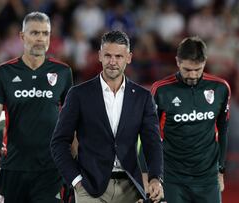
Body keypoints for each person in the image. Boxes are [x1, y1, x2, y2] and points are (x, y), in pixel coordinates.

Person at [50, 30, 164, 203]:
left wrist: (156, 177)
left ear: (129, 57)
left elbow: (153, 142)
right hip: (89, 187)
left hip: (131, 187)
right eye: (108, 55)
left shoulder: (142, 97)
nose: (112, 62)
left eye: (118, 56)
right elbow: (59, 142)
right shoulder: (79, 94)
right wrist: (76, 181)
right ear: (99, 56)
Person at [0, 11, 73, 203]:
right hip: (13, 167)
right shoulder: (4, 72)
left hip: (51, 168)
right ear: (22, 36)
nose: (40, 39)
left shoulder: (63, 72)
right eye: (34, 33)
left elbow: (72, 121)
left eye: (45, 33)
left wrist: (75, 161)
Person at [151, 36, 230, 203]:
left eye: (198, 69)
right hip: (173, 178)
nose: (192, 75)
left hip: (208, 179)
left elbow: (223, 131)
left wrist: (221, 170)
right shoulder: (161, 90)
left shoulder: (220, 88)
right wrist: (153, 176)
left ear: (205, 62)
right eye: (187, 69)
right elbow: (150, 135)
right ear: (177, 61)